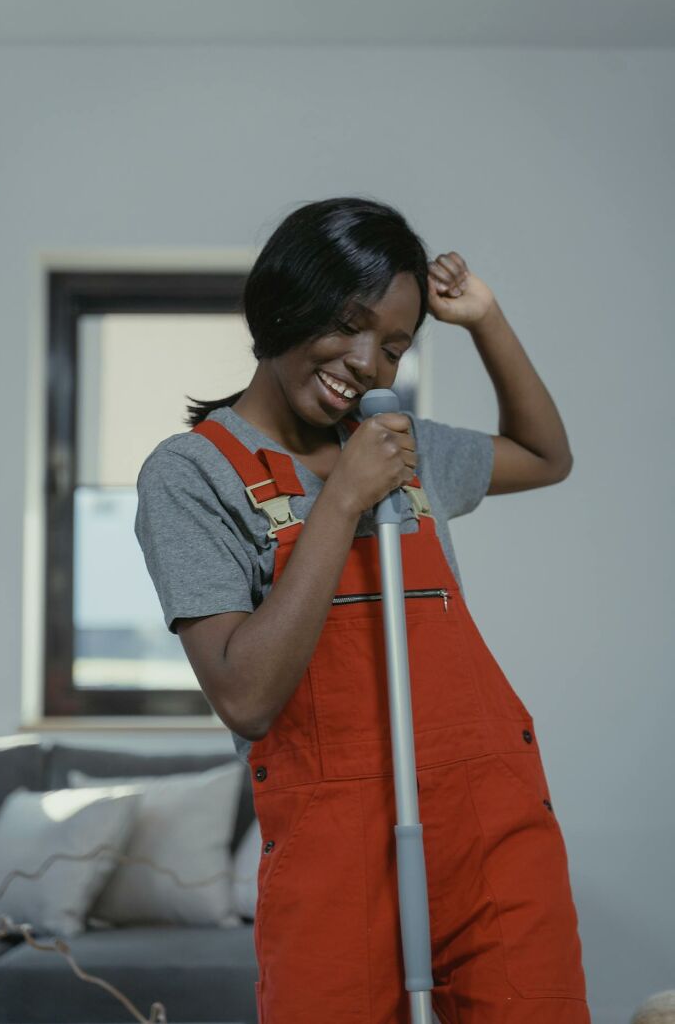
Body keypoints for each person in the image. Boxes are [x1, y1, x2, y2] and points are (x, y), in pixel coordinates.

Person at [135, 196, 591, 1022]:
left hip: (488, 831)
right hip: (335, 859)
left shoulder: (400, 446)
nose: (365, 363)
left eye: (393, 346)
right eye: (347, 324)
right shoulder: (190, 476)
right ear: (285, 301)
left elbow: (545, 455)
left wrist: (485, 320)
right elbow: (245, 693)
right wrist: (341, 500)